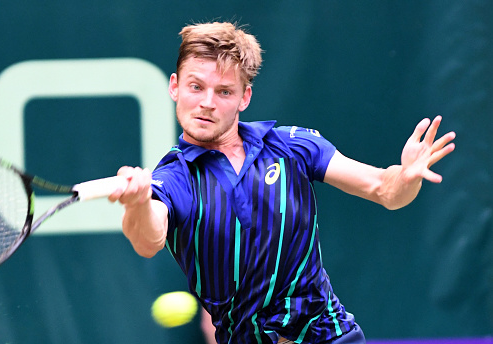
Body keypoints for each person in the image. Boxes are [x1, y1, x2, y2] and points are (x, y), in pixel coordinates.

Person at [108, 22, 456, 344]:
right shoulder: (175, 176)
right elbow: (148, 239)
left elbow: (385, 190)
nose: (207, 103)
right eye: (196, 87)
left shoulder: (292, 145)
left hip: (330, 335)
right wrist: (138, 202)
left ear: (244, 97)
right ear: (175, 86)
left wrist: (406, 176)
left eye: (224, 92)